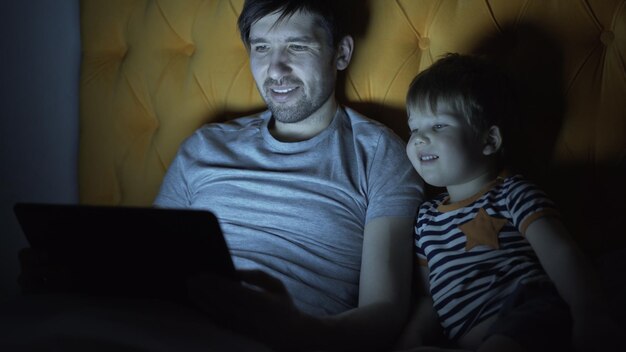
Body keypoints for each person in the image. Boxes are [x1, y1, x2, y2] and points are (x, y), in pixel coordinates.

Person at [153, 0, 423, 351]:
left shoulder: (379, 154)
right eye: (261, 47)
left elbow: (385, 310)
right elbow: (148, 259)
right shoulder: (204, 146)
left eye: (297, 46)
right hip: (170, 327)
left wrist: (299, 331)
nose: (276, 69)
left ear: (340, 53)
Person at [396, 53, 619, 352]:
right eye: (414, 129)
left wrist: (589, 313)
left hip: (529, 311)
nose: (420, 139)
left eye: (438, 126)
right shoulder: (425, 219)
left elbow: (560, 252)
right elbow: (429, 297)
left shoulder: (511, 192)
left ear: (489, 141)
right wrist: (413, 337)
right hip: (469, 340)